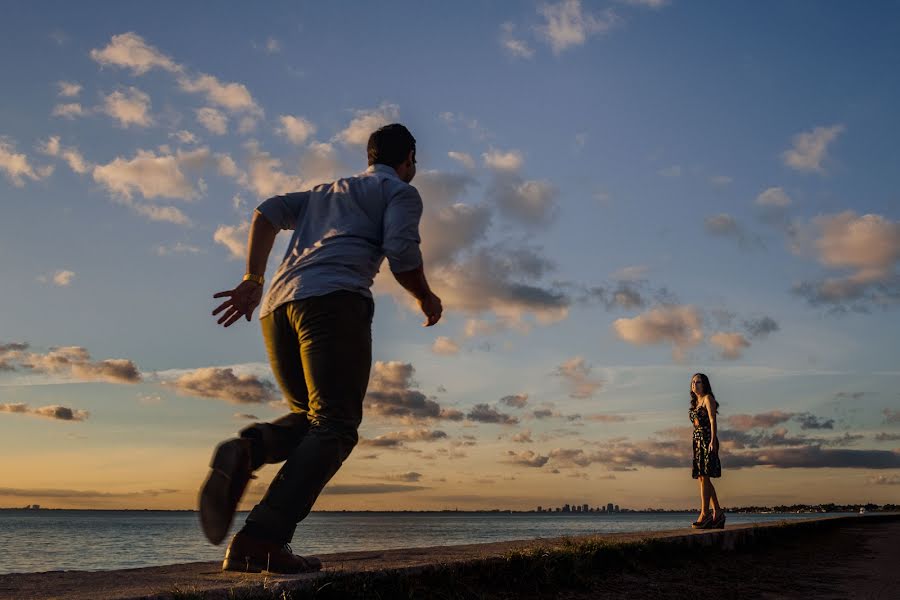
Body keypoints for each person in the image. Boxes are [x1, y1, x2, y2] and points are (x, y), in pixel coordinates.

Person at [200, 123, 443, 573]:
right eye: (415, 160)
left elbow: (266, 214)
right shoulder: (400, 193)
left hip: (278, 308)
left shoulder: (324, 191)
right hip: (334, 303)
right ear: (409, 157)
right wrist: (425, 296)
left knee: (313, 420)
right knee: (335, 426)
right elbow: (401, 251)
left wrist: (253, 280)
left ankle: (250, 450)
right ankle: (262, 539)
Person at [689, 372, 725, 529]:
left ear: (705, 384)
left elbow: (712, 420)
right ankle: (717, 511)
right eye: (693, 382)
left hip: (706, 440)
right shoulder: (696, 402)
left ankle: (705, 513)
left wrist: (712, 441)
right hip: (697, 442)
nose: (695, 384)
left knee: (705, 476)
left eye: (698, 382)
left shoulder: (707, 399)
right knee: (702, 478)